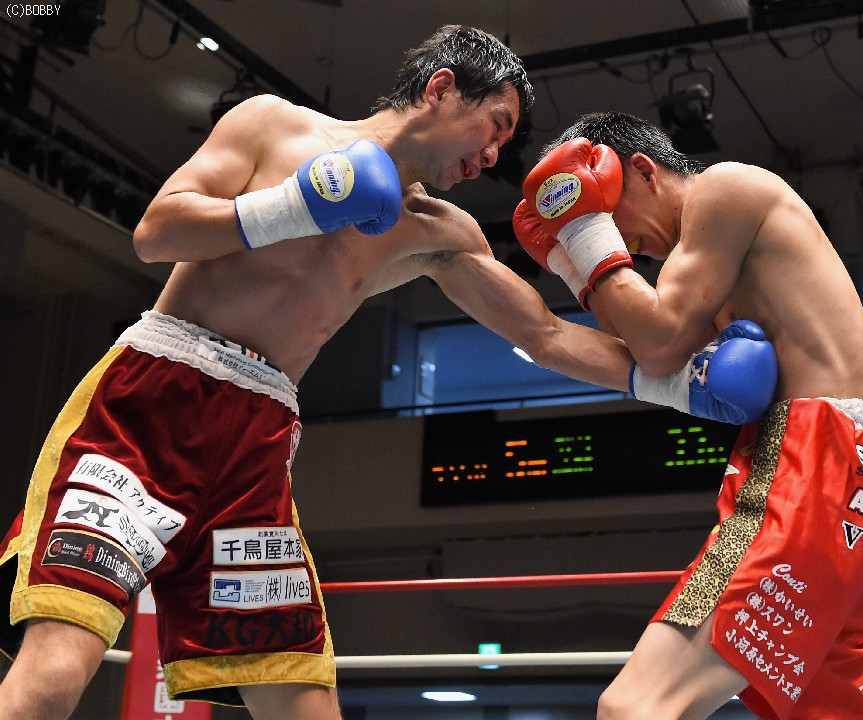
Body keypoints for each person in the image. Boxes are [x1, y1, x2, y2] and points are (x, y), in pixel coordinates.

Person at [0, 28, 777, 720]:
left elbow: (542, 336)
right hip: (152, 405)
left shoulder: (439, 231)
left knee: (303, 702)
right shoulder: (274, 126)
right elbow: (155, 233)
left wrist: (679, 385)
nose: (494, 156)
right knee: (57, 670)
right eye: (495, 124)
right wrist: (300, 204)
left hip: (257, 447)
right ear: (441, 88)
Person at [512, 111, 863, 720]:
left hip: (812, 466)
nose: (622, 246)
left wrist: (584, 234)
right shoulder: (706, 271)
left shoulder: (725, 187)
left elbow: (659, 344)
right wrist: (563, 266)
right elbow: (629, 348)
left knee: (635, 707)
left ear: (642, 170)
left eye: (608, 216)